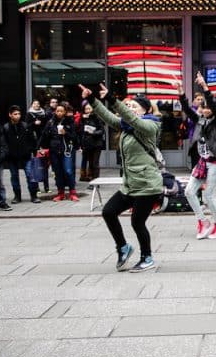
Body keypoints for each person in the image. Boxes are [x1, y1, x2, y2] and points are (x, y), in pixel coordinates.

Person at [79, 83, 162, 272]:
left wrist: (112, 100)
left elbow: (132, 119)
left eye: (134, 106)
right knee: (108, 212)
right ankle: (123, 248)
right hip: (130, 184)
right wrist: (92, 99)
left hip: (147, 184)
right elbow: (109, 117)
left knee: (137, 222)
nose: (131, 108)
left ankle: (147, 257)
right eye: (129, 105)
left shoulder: (150, 126)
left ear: (146, 109)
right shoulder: (126, 126)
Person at [179, 73, 216, 240]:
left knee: (208, 195)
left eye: (208, 107)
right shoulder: (201, 120)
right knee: (189, 192)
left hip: (215, 163)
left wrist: (205, 87)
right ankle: (203, 221)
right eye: (203, 107)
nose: (205, 109)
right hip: (202, 162)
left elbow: (215, 109)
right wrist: (181, 93)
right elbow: (187, 110)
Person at [38, 103, 79, 202]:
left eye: (61, 111)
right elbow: (43, 136)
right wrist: (41, 147)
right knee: (58, 173)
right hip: (54, 151)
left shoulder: (70, 122)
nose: (59, 113)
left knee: (68, 171)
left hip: (66, 151)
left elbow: (75, 137)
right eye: (57, 111)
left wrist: (66, 133)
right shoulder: (51, 122)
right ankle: (60, 193)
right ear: (55, 112)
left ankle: (72, 192)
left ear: (65, 112)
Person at [4, 105, 40, 204]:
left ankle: (34, 195)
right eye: (15, 114)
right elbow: (3, 142)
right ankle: (17, 196)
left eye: (19, 114)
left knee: (30, 175)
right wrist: (6, 153)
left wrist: (33, 151)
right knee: (14, 176)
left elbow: (32, 140)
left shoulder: (25, 126)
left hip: (25, 155)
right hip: (12, 157)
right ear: (10, 115)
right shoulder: (6, 128)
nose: (18, 116)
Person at [79, 101, 105, 184]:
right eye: (86, 109)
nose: (88, 110)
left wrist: (93, 132)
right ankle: (92, 179)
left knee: (95, 164)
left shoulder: (97, 117)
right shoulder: (83, 119)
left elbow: (102, 131)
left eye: (89, 108)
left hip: (97, 144)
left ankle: (96, 182)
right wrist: (81, 145)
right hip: (88, 144)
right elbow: (81, 132)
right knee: (90, 164)